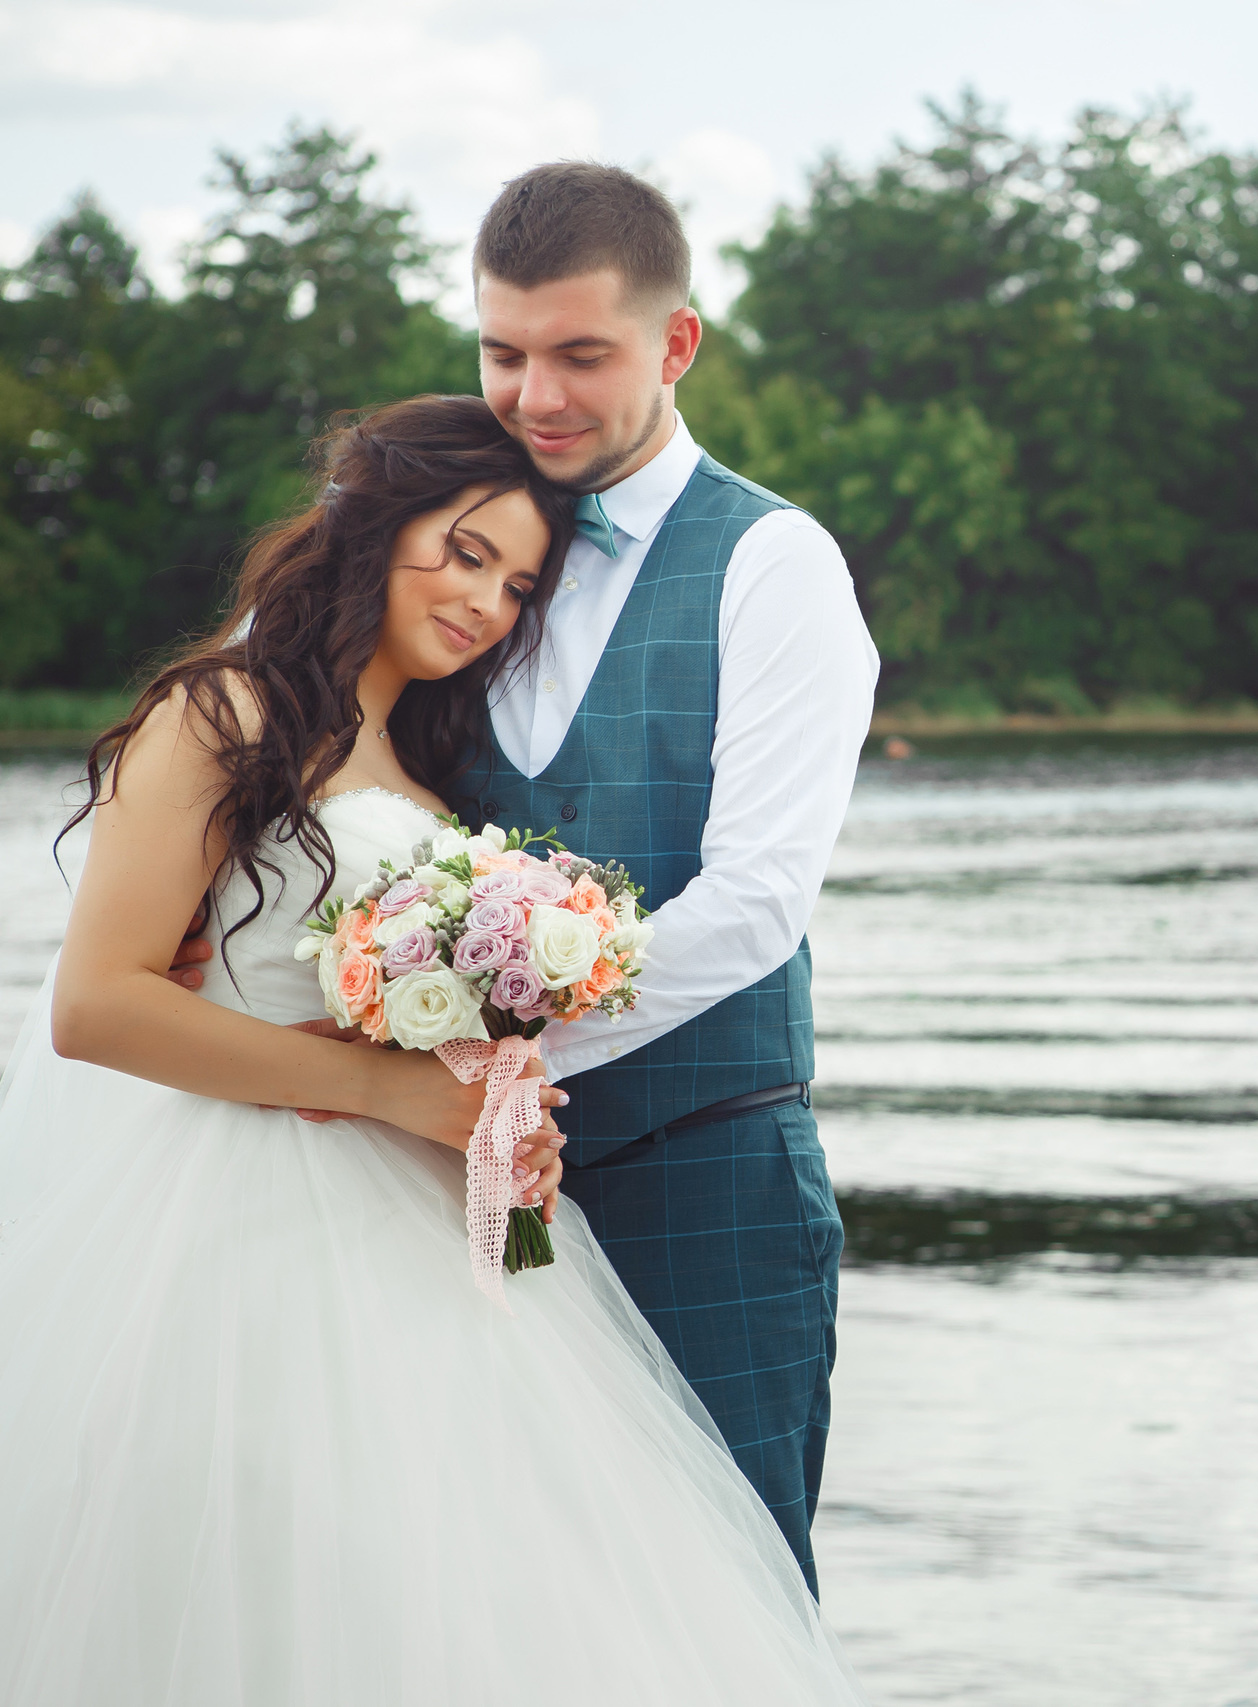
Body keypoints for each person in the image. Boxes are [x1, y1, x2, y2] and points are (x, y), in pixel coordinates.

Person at [0, 396, 861, 1702]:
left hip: (434, 1236)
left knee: (508, 1588)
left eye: (518, 584)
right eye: (464, 552)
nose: (487, 603)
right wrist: (386, 1087)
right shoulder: (222, 715)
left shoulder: (434, 772)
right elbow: (96, 1006)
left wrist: (499, 1103)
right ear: (370, 526)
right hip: (234, 1216)